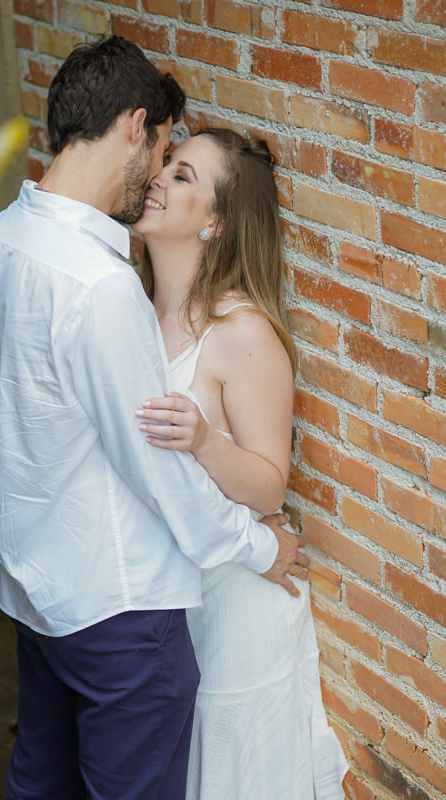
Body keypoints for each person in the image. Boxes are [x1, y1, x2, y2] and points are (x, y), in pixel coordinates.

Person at [0, 37, 309, 800]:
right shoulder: (98, 283)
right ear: (132, 125)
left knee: (41, 783)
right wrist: (257, 548)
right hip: (118, 609)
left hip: (35, 589)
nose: (155, 174)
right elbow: (151, 465)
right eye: (161, 152)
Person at [131, 128, 347, 800]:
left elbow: (268, 483)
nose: (160, 177)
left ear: (217, 223)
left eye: (185, 175)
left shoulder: (241, 332)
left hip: (236, 609)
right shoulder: (129, 311)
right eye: (167, 163)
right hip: (163, 603)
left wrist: (202, 440)